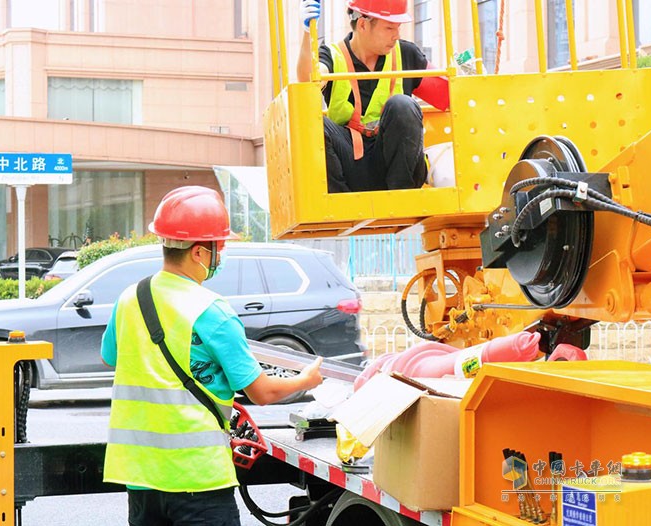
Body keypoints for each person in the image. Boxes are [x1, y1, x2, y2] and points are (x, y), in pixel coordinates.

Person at [101, 186, 324, 526]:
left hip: (140, 478)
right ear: (199, 253)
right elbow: (261, 392)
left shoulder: (130, 298)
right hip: (198, 478)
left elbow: (113, 357)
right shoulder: (212, 311)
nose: (221, 255)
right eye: (220, 247)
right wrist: (307, 379)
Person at [298, 0, 450, 193]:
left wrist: (469, 80)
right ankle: (343, 207)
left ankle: (401, 199)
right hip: (352, 164)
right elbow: (308, 80)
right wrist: (307, 34)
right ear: (362, 24)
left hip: (397, 165)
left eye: (398, 27)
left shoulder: (406, 53)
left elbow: (447, 94)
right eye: (389, 28)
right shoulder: (332, 55)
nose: (396, 35)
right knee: (316, 123)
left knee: (403, 105)